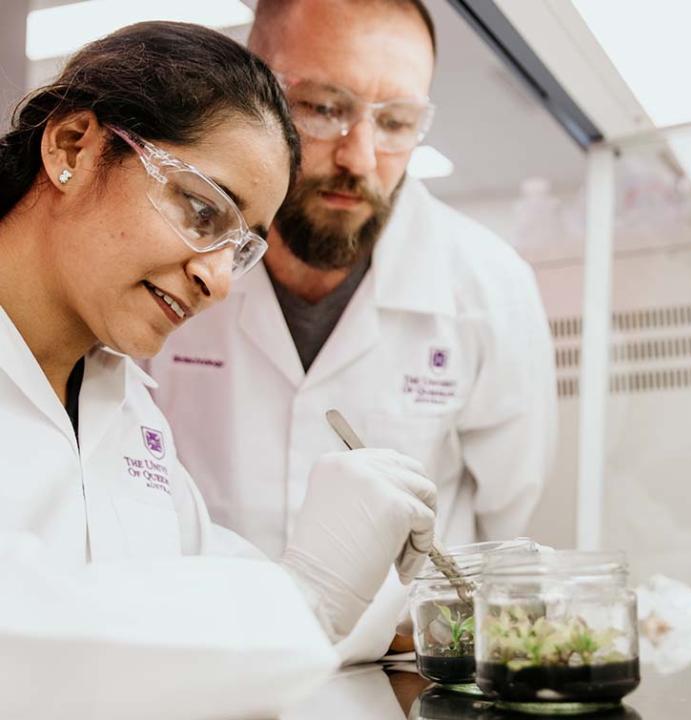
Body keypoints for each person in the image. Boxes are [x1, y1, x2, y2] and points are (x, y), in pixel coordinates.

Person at [0, 20, 437, 709]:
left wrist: (416, 615)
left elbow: (202, 580)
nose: (220, 281)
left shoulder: (125, 405)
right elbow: (21, 641)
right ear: (73, 145)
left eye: (241, 248)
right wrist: (309, 597)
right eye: (203, 210)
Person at [147, 0, 557, 658]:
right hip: (199, 662)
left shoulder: (489, 288)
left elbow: (504, 534)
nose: (360, 158)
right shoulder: (167, 258)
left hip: (401, 674)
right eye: (324, 108)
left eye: (396, 122)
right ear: (254, 92)